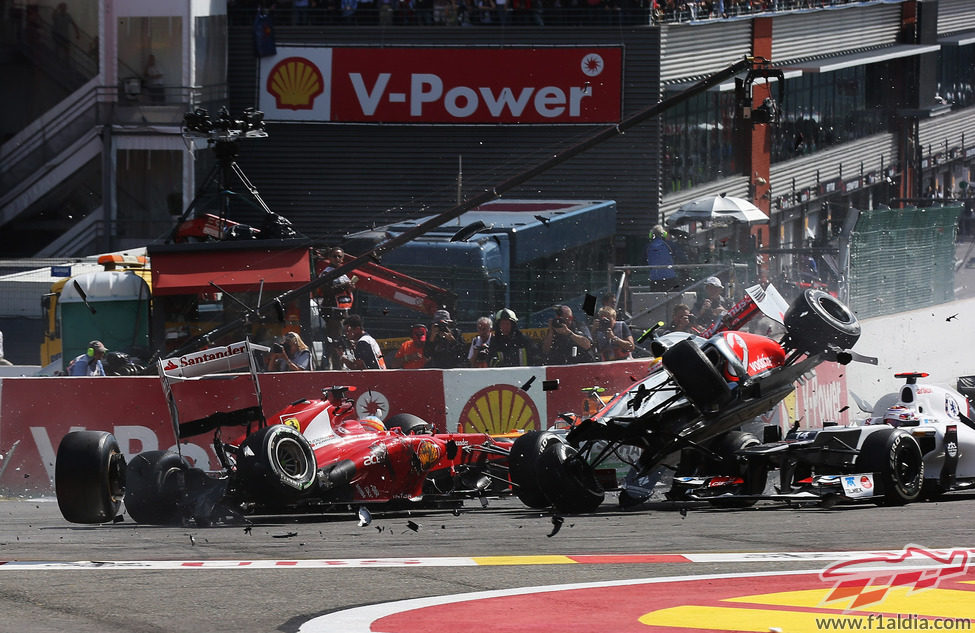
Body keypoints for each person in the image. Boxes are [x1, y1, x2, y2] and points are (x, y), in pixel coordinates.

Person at [645, 225, 677, 291]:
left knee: (656, 299)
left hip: (654, 278)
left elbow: (643, 260)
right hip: (670, 277)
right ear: (663, 234)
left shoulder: (648, 246)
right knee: (673, 298)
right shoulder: (669, 245)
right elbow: (680, 257)